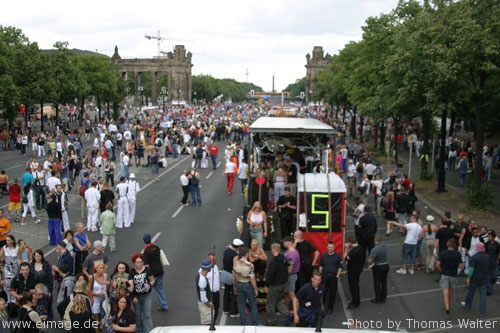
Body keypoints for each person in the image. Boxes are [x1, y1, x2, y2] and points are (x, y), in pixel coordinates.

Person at [461, 242, 490, 317]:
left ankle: (468, 305)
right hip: (484, 278)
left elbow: (471, 270)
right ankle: (482, 311)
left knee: (471, 292)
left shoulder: (474, 257)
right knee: (483, 295)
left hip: (475, 278)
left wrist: (468, 279)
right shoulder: (487, 256)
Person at [232, 247, 259, 326]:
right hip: (247, 284)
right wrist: (255, 289)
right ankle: (255, 323)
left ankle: (243, 324)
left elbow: (233, 277)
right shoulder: (250, 265)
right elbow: (252, 279)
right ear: (247, 254)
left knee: (242, 305)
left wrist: (235, 287)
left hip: (239, 284)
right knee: (253, 304)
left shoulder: (235, 264)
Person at [128, 253, 154, 333]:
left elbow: (152, 280)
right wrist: (133, 297)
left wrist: (149, 285)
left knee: (147, 315)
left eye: (141, 262)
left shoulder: (147, 270)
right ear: (134, 263)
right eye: (137, 262)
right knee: (138, 315)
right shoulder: (132, 272)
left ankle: (150, 331)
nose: (140, 264)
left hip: (146, 295)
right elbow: (130, 287)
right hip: (136, 296)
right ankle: (139, 330)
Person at [437, 239, 463, 319]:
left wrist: (441, 271)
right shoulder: (457, 254)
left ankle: (447, 309)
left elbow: (438, 264)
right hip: (453, 274)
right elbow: (461, 266)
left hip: (444, 274)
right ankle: (448, 303)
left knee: (445, 292)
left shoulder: (442, 253)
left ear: (447, 245)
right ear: (454, 245)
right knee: (450, 291)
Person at [142, 234, 168, 311]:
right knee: (159, 289)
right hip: (160, 271)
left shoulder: (146, 251)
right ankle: (164, 304)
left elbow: (146, 265)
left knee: (148, 290)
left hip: (152, 273)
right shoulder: (156, 248)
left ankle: (146, 306)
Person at [265, 243, 289, 325]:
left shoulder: (274, 262)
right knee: (278, 300)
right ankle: (285, 313)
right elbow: (287, 270)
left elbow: (270, 275)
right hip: (283, 284)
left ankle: (271, 320)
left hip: (274, 285)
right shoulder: (284, 259)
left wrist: (267, 284)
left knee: (270, 303)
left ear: (272, 250)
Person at [318, 241, 343, 314]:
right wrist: (320, 274)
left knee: (332, 293)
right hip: (325, 277)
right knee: (324, 292)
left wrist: (337, 275)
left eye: (332, 247)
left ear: (334, 247)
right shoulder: (323, 256)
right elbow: (321, 265)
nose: (330, 248)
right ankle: (322, 306)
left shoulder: (337, 256)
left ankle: (330, 308)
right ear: (327, 247)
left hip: (333, 277)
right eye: (329, 247)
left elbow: (340, 267)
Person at [222, 238, 242, 318]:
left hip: (225, 273)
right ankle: (233, 312)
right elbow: (235, 267)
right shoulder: (235, 255)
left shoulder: (226, 251)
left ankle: (226, 309)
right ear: (237, 247)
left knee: (226, 292)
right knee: (234, 293)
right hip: (231, 275)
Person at [367, 234, 389, 305]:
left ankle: (378, 299)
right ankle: (384, 297)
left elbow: (370, 260)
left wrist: (370, 263)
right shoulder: (384, 245)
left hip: (378, 267)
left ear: (375, 240)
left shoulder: (375, 249)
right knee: (384, 282)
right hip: (385, 265)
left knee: (377, 283)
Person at [88, 260, 110, 331]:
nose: (102, 270)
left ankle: (104, 327)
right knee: (97, 319)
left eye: (103, 268)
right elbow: (88, 290)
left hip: (104, 298)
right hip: (95, 299)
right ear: (96, 269)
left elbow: (110, 285)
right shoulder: (92, 277)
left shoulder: (106, 276)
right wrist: (96, 294)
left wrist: (108, 284)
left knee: (105, 315)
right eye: (100, 268)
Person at [344, 235, 363, 309]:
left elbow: (345, 258)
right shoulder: (360, 248)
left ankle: (355, 302)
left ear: (350, 242)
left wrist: (346, 248)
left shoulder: (354, 252)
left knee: (353, 287)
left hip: (353, 271)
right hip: (357, 270)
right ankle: (356, 300)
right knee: (356, 286)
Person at [282, 236, 300, 312]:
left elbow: (290, 268)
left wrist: (284, 274)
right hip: (291, 276)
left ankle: (297, 313)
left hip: (290, 277)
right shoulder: (293, 251)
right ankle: (286, 311)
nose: (283, 243)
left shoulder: (291, 254)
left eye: (284, 242)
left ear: (287, 243)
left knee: (292, 295)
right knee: (286, 294)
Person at [0, 235, 19, 303]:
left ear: (12, 241)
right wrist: (1, 264)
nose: (7, 242)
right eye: (6, 240)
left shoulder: (17, 248)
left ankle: (14, 300)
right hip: (7, 267)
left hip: (15, 267)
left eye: (8, 240)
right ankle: (8, 300)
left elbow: (20, 258)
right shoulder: (4, 248)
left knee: (15, 282)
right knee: (7, 284)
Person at [196, 259, 213, 325]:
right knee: (206, 324)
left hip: (203, 304)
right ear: (208, 268)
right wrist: (210, 306)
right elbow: (203, 298)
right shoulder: (202, 280)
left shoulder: (199, 273)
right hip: (205, 305)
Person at [204, 253, 220, 322]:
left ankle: (214, 322)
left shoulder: (216, 267)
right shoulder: (205, 269)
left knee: (216, 310)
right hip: (209, 294)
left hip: (217, 293)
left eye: (215, 260)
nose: (214, 262)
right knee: (209, 311)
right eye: (212, 260)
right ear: (208, 259)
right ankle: (209, 324)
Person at [484, 230, 500, 296]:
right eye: (488, 236)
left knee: (494, 276)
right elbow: (484, 252)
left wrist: (498, 259)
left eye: (490, 236)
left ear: (493, 237)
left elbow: (499, 253)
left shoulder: (497, 244)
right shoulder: (486, 244)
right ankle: (489, 289)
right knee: (488, 276)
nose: (488, 238)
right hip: (488, 262)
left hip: (495, 262)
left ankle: (490, 283)